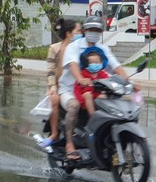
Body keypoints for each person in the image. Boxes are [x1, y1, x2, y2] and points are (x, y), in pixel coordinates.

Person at [58, 16, 136, 160]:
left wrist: (129, 82)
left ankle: (105, 140)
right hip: (69, 90)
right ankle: (70, 144)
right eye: (91, 29)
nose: (94, 32)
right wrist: (80, 79)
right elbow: (73, 65)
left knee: (116, 105)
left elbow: (116, 66)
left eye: (97, 30)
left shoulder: (102, 48)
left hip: (95, 90)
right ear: (84, 31)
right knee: (73, 106)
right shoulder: (73, 47)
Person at [38, 18, 82, 149]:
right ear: (69, 33)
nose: (81, 33)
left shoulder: (81, 47)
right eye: (78, 30)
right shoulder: (55, 48)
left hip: (78, 85)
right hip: (59, 86)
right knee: (54, 99)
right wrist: (52, 87)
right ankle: (54, 134)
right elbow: (50, 70)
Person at [73, 48, 109, 116]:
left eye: (96, 62)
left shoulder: (102, 74)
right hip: (86, 95)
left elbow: (108, 81)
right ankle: (93, 116)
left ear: (101, 63)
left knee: (107, 96)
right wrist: (81, 100)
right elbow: (77, 88)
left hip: (97, 94)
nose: (93, 64)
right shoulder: (83, 74)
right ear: (86, 64)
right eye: (91, 63)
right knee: (88, 95)